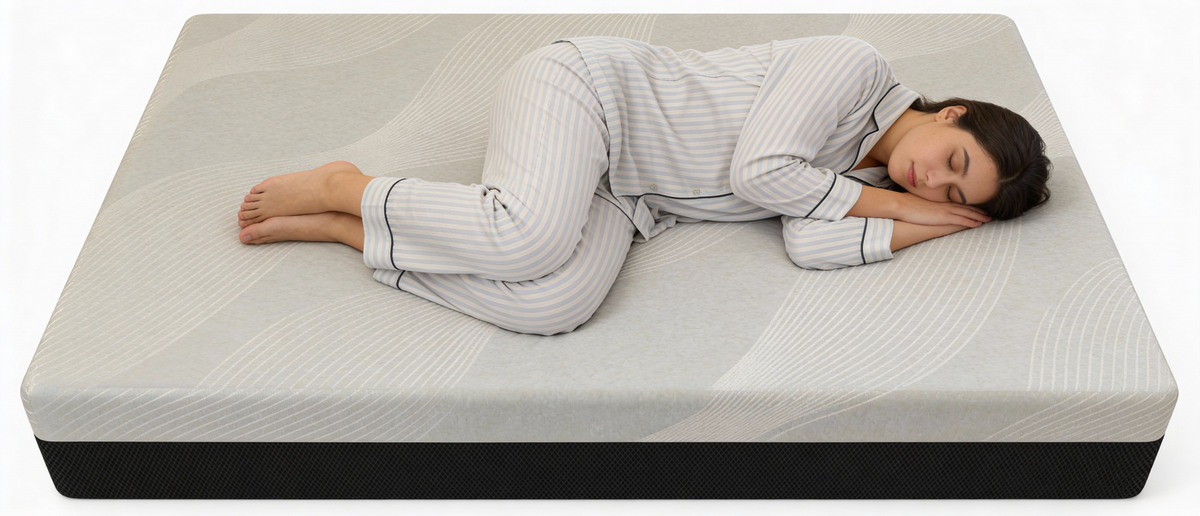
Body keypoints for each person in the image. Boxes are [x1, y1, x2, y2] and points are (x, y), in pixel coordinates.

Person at [234, 35, 1051, 336]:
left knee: (552, 306)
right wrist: (899, 203)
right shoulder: (855, 66)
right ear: (952, 113)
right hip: (590, 94)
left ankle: (356, 230)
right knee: (530, 240)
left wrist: (922, 223)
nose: (932, 181)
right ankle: (350, 186)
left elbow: (808, 240)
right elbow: (761, 173)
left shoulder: (855, 178)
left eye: (955, 195)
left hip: (627, 193)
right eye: (954, 161)